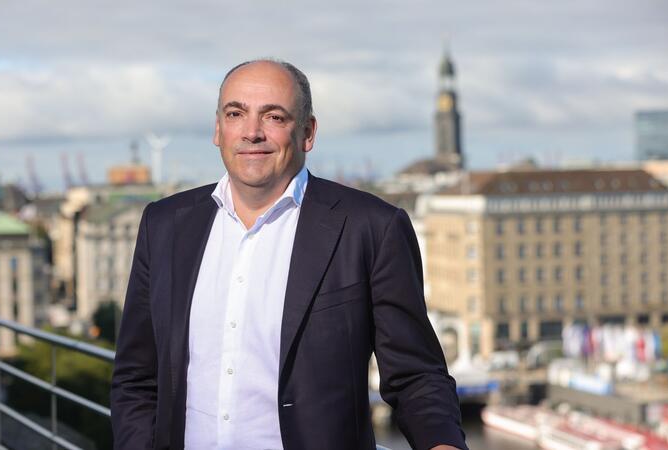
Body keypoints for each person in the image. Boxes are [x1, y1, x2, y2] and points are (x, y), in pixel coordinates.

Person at [110, 59, 467, 450]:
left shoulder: (371, 228)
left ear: (308, 132)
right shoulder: (165, 226)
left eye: (274, 117)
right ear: (217, 129)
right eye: (235, 114)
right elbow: (137, 377)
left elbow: (416, 375)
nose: (251, 132)